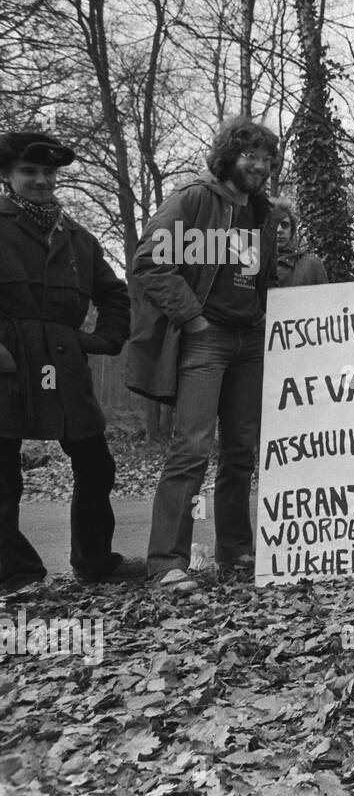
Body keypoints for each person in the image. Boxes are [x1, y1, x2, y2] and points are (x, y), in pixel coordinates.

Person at [127, 116, 279, 589]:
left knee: (241, 453)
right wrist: (193, 317)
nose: (259, 165)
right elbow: (150, 261)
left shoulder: (262, 213)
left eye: (267, 158)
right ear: (228, 156)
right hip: (205, 339)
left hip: (249, 342)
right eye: (250, 155)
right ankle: (167, 562)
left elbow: (264, 278)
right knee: (192, 447)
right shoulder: (193, 199)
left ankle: (235, 551)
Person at [0, 131, 144, 592]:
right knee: (2, 475)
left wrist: (106, 338)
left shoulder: (77, 237)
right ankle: (16, 571)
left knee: (96, 463)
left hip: (64, 359)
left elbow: (114, 293)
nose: (41, 181)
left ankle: (95, 561)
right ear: (7, 176)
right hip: (7, 360)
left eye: (48, 173)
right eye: (29, 172)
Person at [270, 199, 328, 287]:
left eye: (284, 225)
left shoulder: (312, 265)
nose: (279, 230)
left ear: (291, 231)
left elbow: (325, 298)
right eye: (274, 224)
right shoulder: (251, 265)